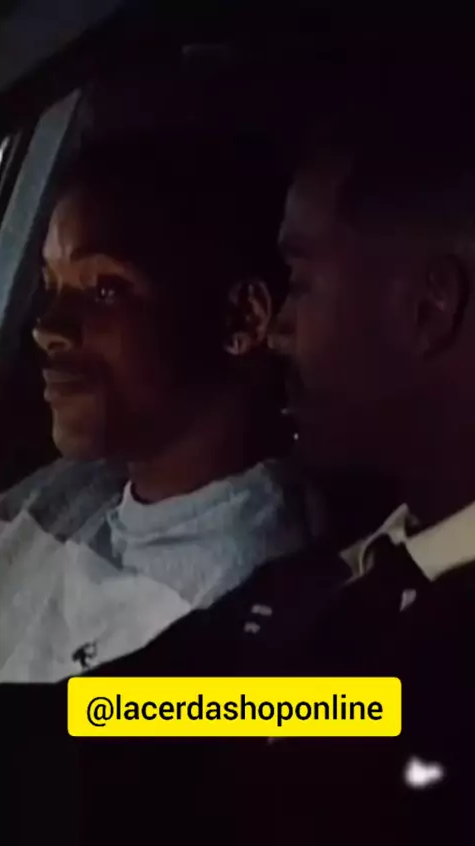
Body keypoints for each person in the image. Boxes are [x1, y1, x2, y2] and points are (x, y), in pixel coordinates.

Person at [0, 128, 325, 684]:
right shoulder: (78, 487)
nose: (48, 328)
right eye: (51, 287)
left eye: (105, 290)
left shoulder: (238, 601)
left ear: (242, 319)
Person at [267, 99, 475, 827]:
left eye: (299, 283)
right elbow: (149, 709)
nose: (275, 332)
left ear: (429, 309)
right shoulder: (357, 568)